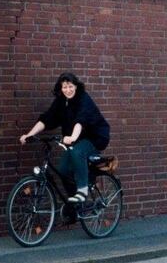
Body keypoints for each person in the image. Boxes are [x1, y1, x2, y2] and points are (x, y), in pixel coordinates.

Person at [19, 72, 110, 203]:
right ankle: (75, 204)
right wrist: (30, 134)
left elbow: (81, 120)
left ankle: (83, 190)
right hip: (76, 139)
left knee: (77, 151)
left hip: (95, 137)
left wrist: (72, 137)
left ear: (76, 86)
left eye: (70, 86)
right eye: (64, 87)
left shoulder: (83, 99)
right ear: (60, 88)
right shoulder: (61, 101)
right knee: (63, 170)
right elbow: (47, 118)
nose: (68, 90)